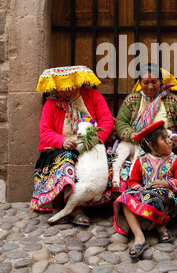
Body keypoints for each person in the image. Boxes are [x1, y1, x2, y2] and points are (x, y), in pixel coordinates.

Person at [30, 65, 114, 226]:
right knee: (67, 160)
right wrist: (62, 141)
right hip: (61, 149)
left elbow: (106, 121)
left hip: (91, 144)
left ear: (77, 83)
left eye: (70, 88)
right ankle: (68, 206)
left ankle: (83, 205)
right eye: (62, 89)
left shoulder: (93, 96)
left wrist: (95, 138)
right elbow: (45, 132)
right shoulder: (51, 104)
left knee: (108, 159)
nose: (67, 92)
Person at [114, 120, 177, 258]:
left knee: (159, 193)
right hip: (144, 199)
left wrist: (166, 184)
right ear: (151, 145)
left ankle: (161, 226)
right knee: (125, 198)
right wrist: (142, 188)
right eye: (164, 138)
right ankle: (139, 236)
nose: (169, 141)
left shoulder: (175, 160)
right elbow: (133, 181)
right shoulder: (141, 161)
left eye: (168, 137)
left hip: (167, 202)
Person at [115, 63, 177, 162]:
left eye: (154, 82)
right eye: (146, 82)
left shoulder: (174, 101)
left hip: (168, 153)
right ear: (140, 83)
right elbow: (121, 122)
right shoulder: (132, 100)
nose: (150, 87)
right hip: (136, 151)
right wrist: (132, 135)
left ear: (160, 81)